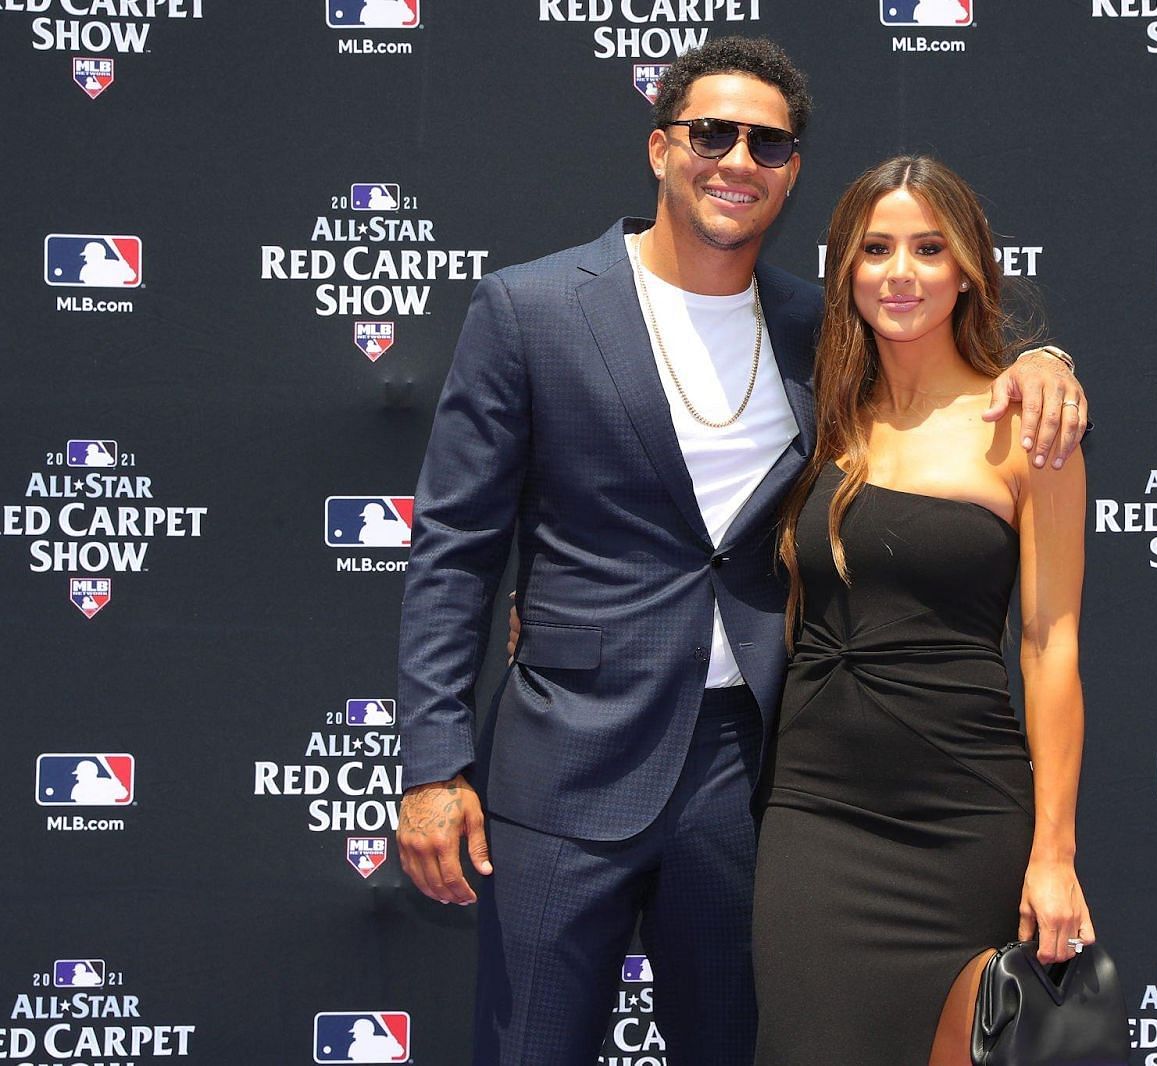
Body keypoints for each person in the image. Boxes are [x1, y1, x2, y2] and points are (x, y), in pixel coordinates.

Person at [394, 37, 1089, 1066]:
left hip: (753, 776)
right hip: (564, 767)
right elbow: (454, 548)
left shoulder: (824, 331)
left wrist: (1046, 357)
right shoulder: (531, 308)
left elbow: (939, 354)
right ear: (660, 148)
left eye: (767, 144)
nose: (737, 160)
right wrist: (433, 764)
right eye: (711, 133)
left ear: (793, 172)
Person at [751, 155, 1094, 1065]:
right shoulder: (814, 413)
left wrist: (1053, 856)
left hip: (964, 814)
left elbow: (1051, 642)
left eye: (929, 248)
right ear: (843, 271)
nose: (900, 273)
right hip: (815, 815)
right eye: (875, 249)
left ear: (970, 267)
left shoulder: (1026, 426)